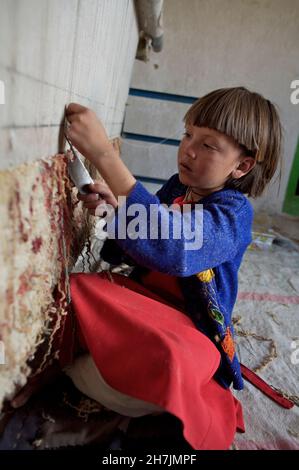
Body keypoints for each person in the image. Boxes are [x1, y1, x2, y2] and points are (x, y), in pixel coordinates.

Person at [13, 87, 283, 449]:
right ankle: (89, 375)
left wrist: (105, 155)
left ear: (242, 166)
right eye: (188, 134)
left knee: (174, 359)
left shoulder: (234, 215)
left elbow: (175, 249)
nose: (188, 149)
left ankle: (108, 381)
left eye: (208, 145)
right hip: (140, 304)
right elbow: (126, 252)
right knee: (80, 287)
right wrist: (114, 211)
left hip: (186, 328)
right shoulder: (177, 188)